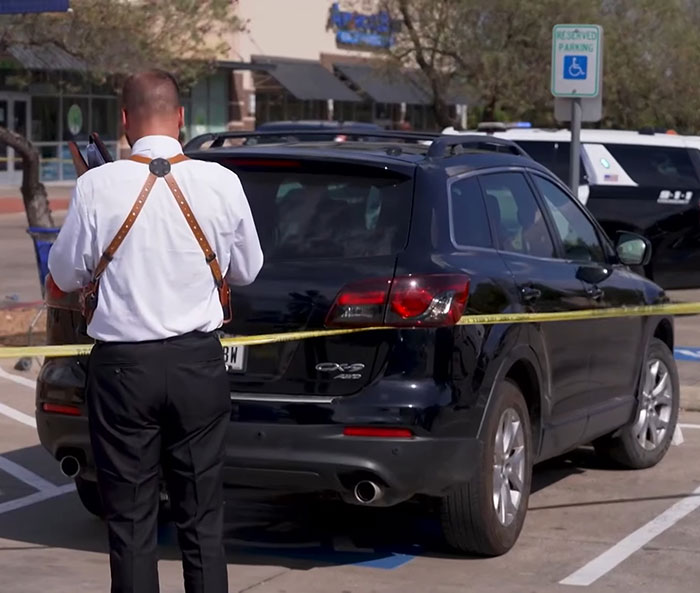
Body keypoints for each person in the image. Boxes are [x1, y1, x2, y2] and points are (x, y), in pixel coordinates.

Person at [48, 69, 264, 593]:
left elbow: (64, 275)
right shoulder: (222, 182)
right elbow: (248, 271)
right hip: (197, 364)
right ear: (181, 117)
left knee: (131, 525)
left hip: (122, 371)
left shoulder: (96, 185)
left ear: (124, 122)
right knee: (202, 522)